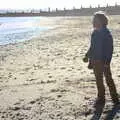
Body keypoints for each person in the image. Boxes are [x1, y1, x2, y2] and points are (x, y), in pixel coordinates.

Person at [83, 11, 119, 105]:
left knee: (108, 79)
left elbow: (109, 49)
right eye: (93, 20)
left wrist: (107, 62)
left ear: (103, 21)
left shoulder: (106, 33)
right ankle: (101, 98)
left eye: (96, 20)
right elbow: (92, 47)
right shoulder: (94, 33)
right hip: (95, 61)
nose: (94, 21)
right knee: (98, 80)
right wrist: (87, 55)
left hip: (104, 61)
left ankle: (115, 97)